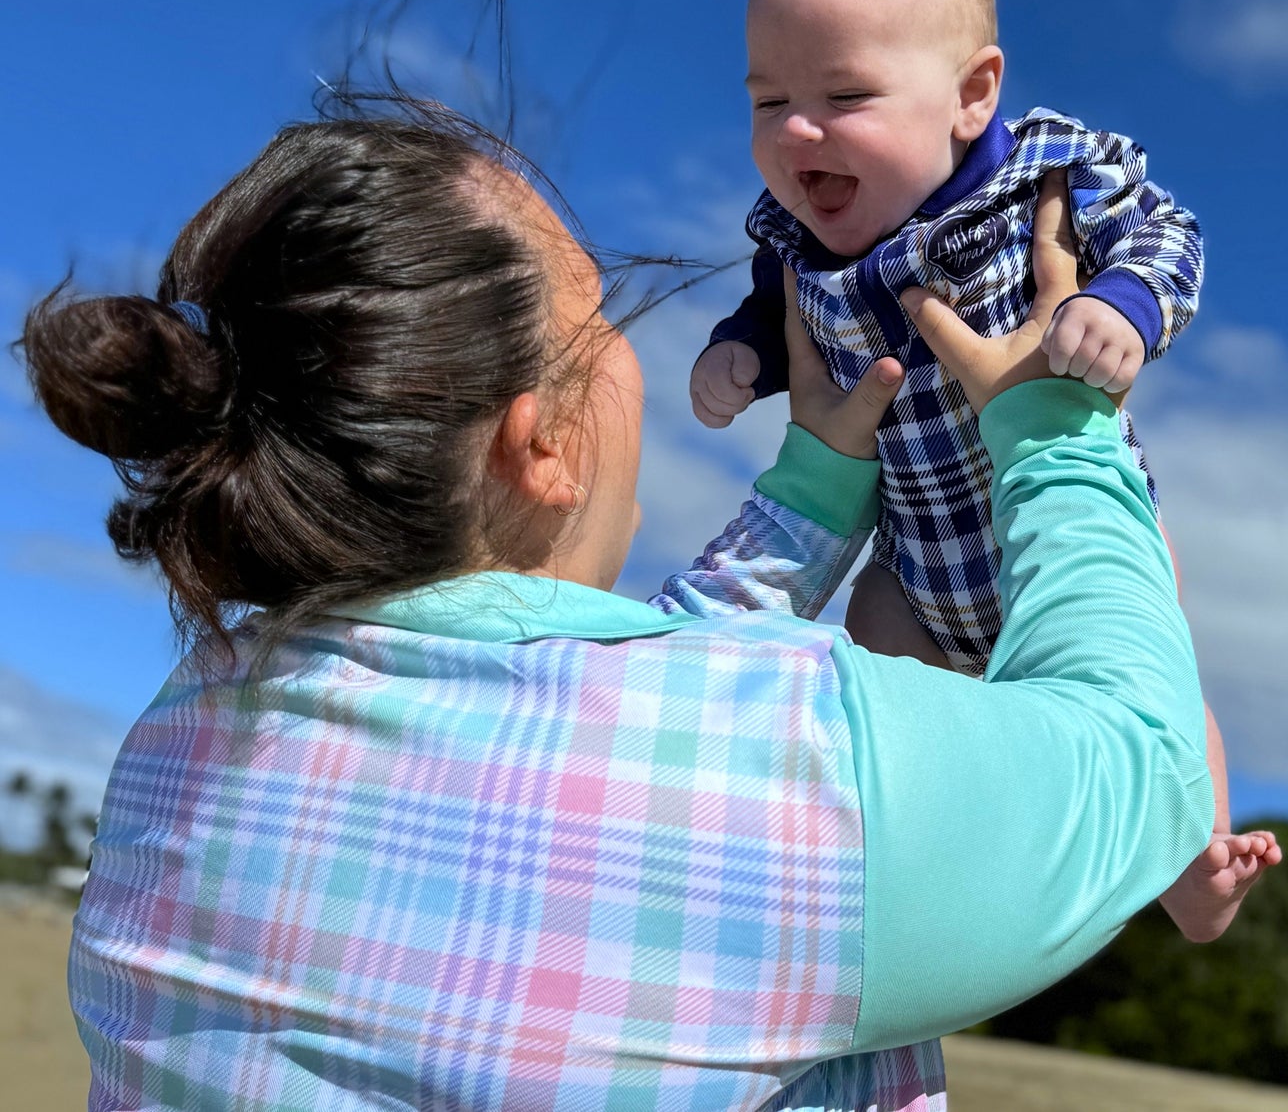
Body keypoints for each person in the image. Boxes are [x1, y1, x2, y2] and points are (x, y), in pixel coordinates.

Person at [28, 108, 1221, 1111]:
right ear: (539, 440)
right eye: (599, 318)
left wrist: (814, 484)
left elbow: (595, 721)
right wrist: (1050, 428)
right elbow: (1146, 759)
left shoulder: (175, 748)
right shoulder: (785, 777)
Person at [691, 0, 1279, 941]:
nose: (797, 129)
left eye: (844, 95)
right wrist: (737, 352)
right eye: (765, 100)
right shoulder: (791, 235)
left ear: (971, 93)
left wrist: (1120, 303)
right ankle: (884, 861)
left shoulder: (1041, 181)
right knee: (867, 680)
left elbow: (1168, 234)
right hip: (914, 570)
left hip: (1061, 536)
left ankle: (1196, 862)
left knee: (1151, 662)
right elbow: (767, 303)